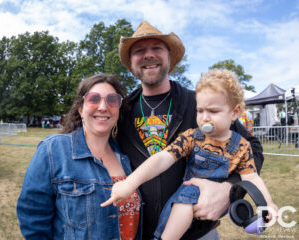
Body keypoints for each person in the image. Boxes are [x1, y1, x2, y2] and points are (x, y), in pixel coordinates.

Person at [116, 20, 264, 240]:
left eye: (156, 48)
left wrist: (229, 190)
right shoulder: (121, 112)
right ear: (131, 61)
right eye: (139, 50)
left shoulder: (200, 104)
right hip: (138, 232)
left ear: (169, 57)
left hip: (197, 232)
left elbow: (252, 148)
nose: (148, 55)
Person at [103, 69, 278, 240]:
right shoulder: (192, 137)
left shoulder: (242, 146)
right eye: (200, 110)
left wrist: (266, 203)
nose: (204, 118)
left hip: (208, 215)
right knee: (186, 199)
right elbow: (162, 158)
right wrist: (130, 183)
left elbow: (252, 178)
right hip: (187, 197)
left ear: (234, 112)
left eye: (213, 111)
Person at [17, 74, 142, 239]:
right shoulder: (53, 150)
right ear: (81, 109)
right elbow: (33, 220)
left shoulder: (125, 157)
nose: (103, 107)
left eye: (112, 100)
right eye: (94, 99)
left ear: (118, 109)